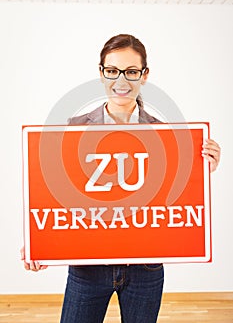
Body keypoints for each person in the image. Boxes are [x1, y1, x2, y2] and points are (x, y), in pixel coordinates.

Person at [21, 34, 221, 323]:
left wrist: (203, 169)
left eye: (131, 71)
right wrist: (36, 240)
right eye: (112, 71)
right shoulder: (70, 130)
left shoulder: (168, 136)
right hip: (87, 266)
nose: (121, 81)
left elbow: (173, 197)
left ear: (144, 75)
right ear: (101, 73)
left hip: (145, 267)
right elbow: (50, 190)